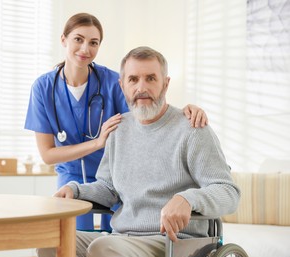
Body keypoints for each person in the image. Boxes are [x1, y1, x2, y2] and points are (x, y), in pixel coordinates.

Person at [37, 46, 241, 257]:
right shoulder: (118, 129)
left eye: (151, 78)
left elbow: (229, 192)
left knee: (103, 249)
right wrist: (75, 191)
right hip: (122, 237)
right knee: (51, 239)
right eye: (133, 79)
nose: (141, 87)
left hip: (172, 242)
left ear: (166, 83)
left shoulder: (192, 128)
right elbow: (108, 188)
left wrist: (188, 199)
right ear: (122, 85)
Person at [24, 13, 208, 232]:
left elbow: (145, 112)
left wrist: (184, 111)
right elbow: (47, 155)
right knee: (70, 238)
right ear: (63, 40)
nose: (85, 49)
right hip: (71, 176)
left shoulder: (113, 82)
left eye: (93, 43)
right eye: (78, 39)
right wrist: (96, 143)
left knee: (115, 235)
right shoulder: (43, 88)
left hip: (116, 175)